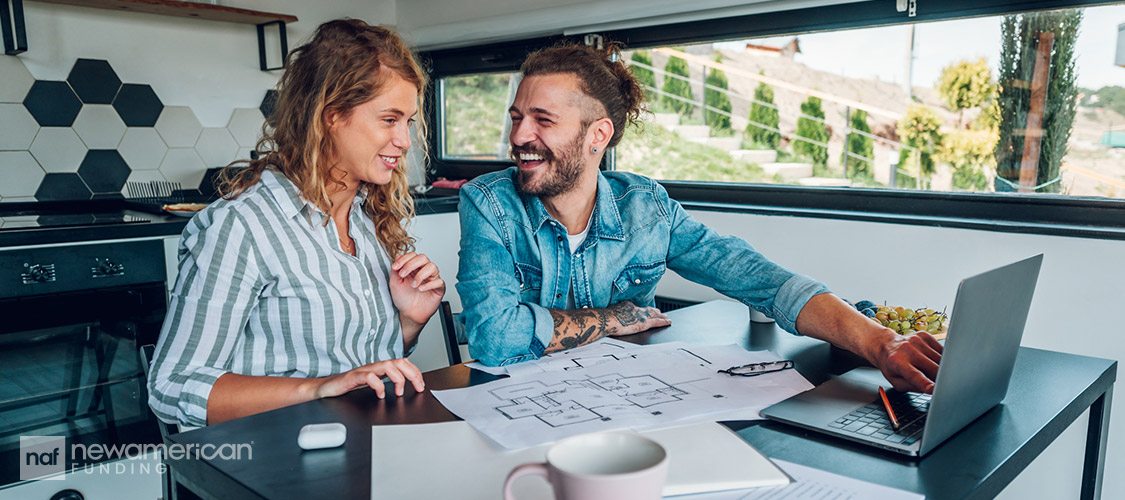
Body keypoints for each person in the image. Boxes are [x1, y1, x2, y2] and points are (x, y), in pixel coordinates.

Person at [455, 41, 943, 394]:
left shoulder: (646, 208)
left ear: (597, 135)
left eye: (543, 120)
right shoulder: (488, 202)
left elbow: (762, 281)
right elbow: (495, 340)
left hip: (628, 402)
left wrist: (881, 343)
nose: (519, 136)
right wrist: (611, 318)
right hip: (515, 410)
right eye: (518, 117)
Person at [148, 19, 444, 428]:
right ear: (331, 116)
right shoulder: (240, 227)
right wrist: (317, 389)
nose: (405, 140)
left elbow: (358, 369)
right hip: (272, 460)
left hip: (357, 443)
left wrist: (409, 322)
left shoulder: (365, 220)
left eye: (408, 122)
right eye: (389, 120)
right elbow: (171, 385)